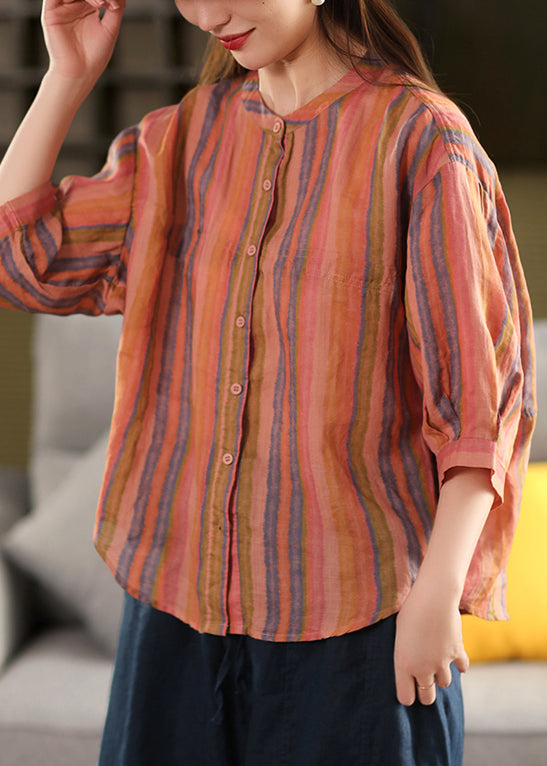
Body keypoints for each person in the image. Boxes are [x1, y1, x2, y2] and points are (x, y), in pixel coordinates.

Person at [0, 0, 536, 764]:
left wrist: (437, 596)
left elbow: (478, 409)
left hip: (357, 631)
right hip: (173, 620)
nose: (207, 14)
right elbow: (23, 260)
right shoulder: (180, 140)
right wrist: (67, 76)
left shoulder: (422, 142)